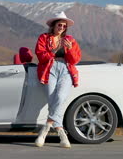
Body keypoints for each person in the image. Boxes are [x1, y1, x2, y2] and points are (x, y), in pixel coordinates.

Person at [34, 11, 81, 148]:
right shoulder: (43, 38)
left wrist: (70, 49)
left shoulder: (70, 40)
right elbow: (40, 56)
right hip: (49, 69)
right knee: (52, 98)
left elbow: (75, 60)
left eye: (64, 26)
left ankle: (45, 129)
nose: (62, 27)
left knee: (60, 97)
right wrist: (54, 51)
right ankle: (61, 132)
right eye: (59, 25)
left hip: (65, 70)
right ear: (54, 26)